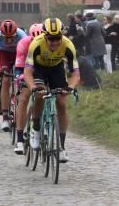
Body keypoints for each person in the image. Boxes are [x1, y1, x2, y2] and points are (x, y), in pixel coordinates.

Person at [23, 18, 81, 162]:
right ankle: (35, 129)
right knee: (40, 95)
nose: (54, 42)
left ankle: (61, 147)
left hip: (56, 69)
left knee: (61, 103)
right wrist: (33, 88)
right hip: (39, 69)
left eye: (57, 38)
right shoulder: (36, 44)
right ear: (44, 36)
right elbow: (28, 72)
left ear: (62, 36)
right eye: (51, 39)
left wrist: (70, 87)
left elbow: (75, 74)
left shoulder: (68, 46)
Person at [12, 23, 43, 154]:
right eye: (33, 39)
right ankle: (19, 140)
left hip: (42, 70)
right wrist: (19, 76)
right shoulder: (23, 43)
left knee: (44, 94)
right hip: (26, 69)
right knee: (23, 99)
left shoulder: (48, 43)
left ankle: (43, 122)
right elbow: (19, 66)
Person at [0, 19, 27, 132]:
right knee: (6, 81)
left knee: (21, 79)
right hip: (4, 55)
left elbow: (26, 55)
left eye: (12, 37)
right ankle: (5, 117)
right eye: (6, 37)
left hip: (18, 54)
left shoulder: (22, 35)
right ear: (1, 34)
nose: (9, 40)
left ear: (16, 33)